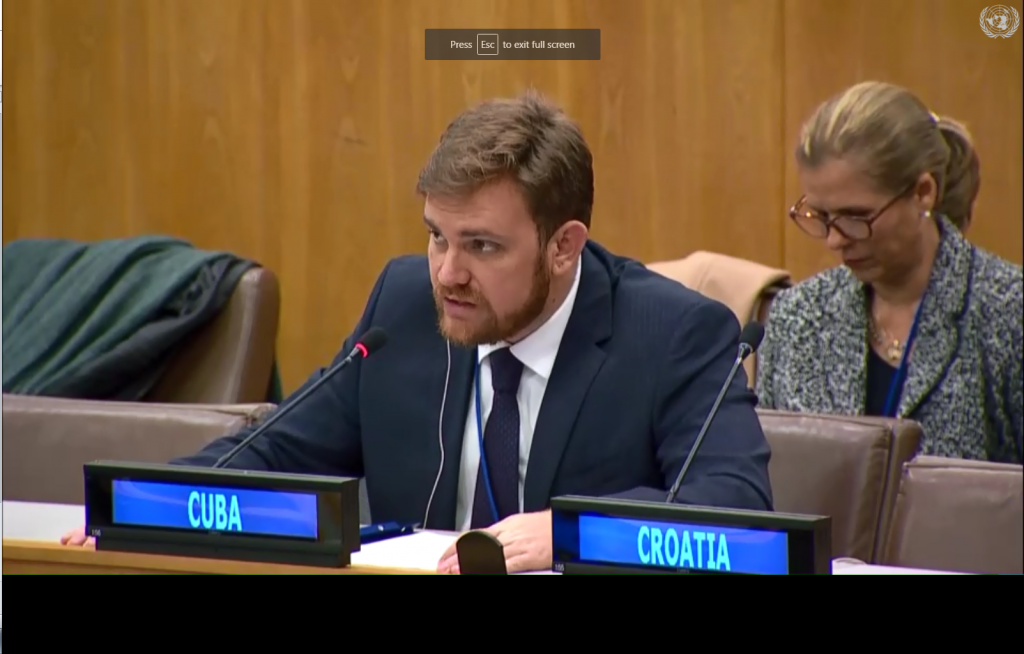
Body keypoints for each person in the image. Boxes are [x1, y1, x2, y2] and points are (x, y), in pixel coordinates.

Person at [62, 91, 774, 572]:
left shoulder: (671, 334)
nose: (448, 274)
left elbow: (737, 509)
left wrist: (568, 532)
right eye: (437, 237)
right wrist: (140, 510)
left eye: (482, 246)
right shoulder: (405, 306)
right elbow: (274, 450)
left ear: (564, 246)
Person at [756, 81, 1023, 464]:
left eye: (856, 216)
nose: (834, 240)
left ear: (923, 193)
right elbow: (770, 476)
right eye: (821, 215)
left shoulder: (1008, 312)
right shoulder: (796, 315)